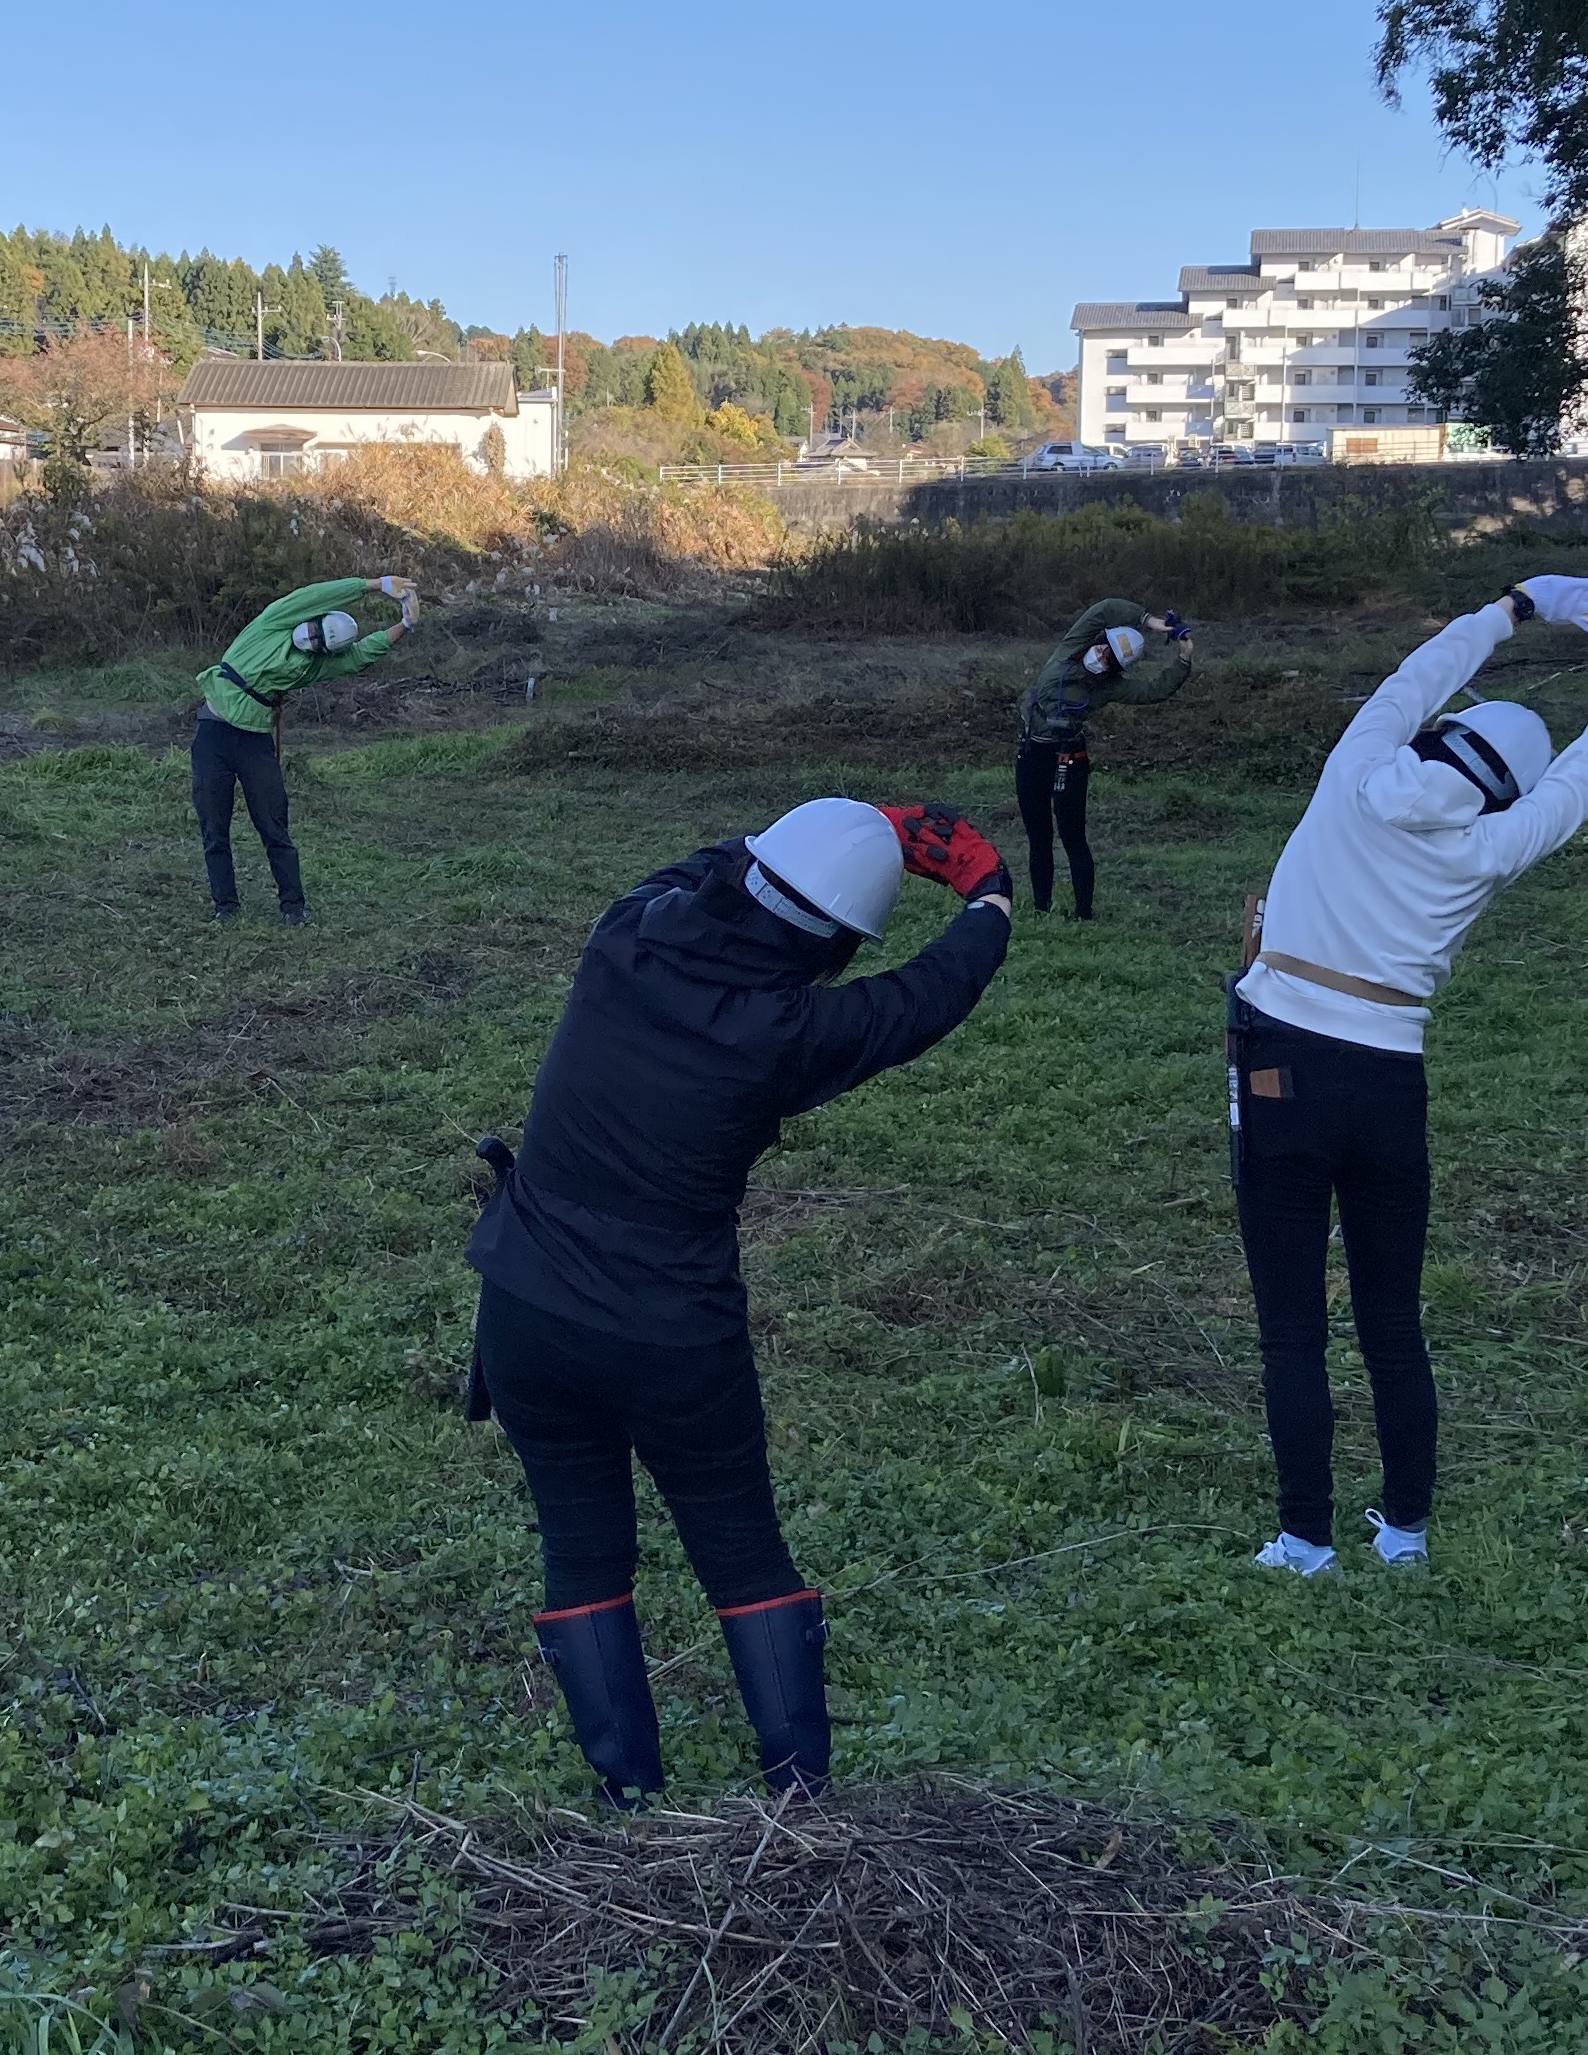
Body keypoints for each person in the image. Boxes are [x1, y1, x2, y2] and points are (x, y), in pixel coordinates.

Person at [472, 796, 1015, 1802]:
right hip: (673, 1333)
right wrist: (988, 898)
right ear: (840, 944)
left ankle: (628, 1798)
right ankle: (798, 1798)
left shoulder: (624, 932)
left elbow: (700, 863)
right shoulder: (790, 1031)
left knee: (581, 1546)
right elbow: (928, 996)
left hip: (525, 1305)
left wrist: (828, 831)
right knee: (740, 1544)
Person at [1230, 572, 1588, 1575]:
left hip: (1281, 1065)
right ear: (1502, 788)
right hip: (1391, 1081)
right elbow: (1587, 778)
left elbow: (1420, 673)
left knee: (1290, 1324)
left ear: (1439, 739)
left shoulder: (1358, 767)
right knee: (1393, 1318)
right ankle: (1405, 1533)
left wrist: (1516, 607)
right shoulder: (1491, 845)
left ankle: (1305, 1538)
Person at [189, 575, 418, 921]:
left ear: (325, 650)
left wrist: (405, 625)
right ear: (315, 619)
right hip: (213, 733)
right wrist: (376, 585)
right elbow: (315, 594)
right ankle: (226, 907)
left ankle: (293, 908)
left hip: (254, 742)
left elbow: (359, 657)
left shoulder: (313, 665)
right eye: (313, 630)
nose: (309, 638)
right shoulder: (275, 623)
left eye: (318, 642)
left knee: (273, 824)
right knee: (213, 824)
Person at [1013, 601, 1195, 921]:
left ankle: (1084, 916)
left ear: (1116, 669)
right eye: (1102, 648)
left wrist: (1183, 659)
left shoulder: (1109, 688)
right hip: (1032, 755)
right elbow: (1104, 608)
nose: (1100, 657)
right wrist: (1147, 621)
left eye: (1110, 658)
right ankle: (1040, 909)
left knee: (1073, 839)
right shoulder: (1069, 648)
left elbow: (1154, 690)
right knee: (1038, 836)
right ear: (1097, 641)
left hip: (1069, 759)